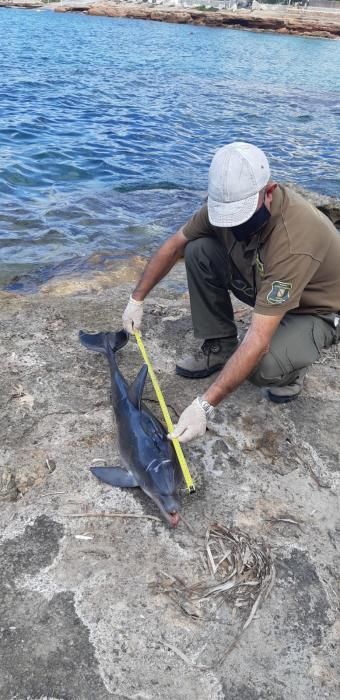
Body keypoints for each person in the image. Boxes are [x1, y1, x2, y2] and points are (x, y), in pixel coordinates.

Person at [122, 142, 340, 443]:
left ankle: (293, 368)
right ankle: (220, 346)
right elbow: (175, 246)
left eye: (243, 216)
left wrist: (203, 405)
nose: (234, 224)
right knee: (198, 249)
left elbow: (258, 341)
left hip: (312, 309)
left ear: (269, 192)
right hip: (265, 282)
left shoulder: (295, 240)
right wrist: (137, 299)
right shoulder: (221, 205)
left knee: (262, 366)